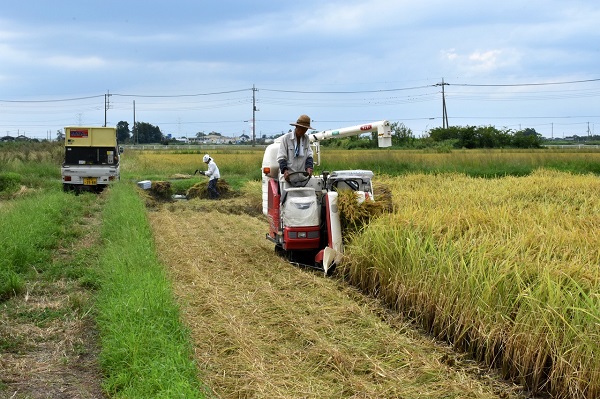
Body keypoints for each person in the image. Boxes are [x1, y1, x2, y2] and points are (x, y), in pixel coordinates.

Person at [277, 114, 314, 186]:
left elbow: (309, 155)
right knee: (288, 197)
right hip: (288, 178)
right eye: (302, 128)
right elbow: (281, 157)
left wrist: (309, 167)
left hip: (302, 178)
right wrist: (285, 171)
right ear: (296, 126)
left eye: (306, 129)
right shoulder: (286, 139)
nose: (304, 131)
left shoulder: (306, 138)